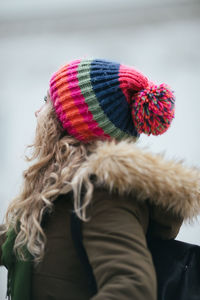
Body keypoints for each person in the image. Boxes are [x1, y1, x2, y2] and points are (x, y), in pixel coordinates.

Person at [0, 58, 200, 300]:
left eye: (47, 102)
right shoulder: (63, 190)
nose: (38, 112)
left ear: (72, 123)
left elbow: (132, 288)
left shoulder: (100, 194)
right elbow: (25, 238)